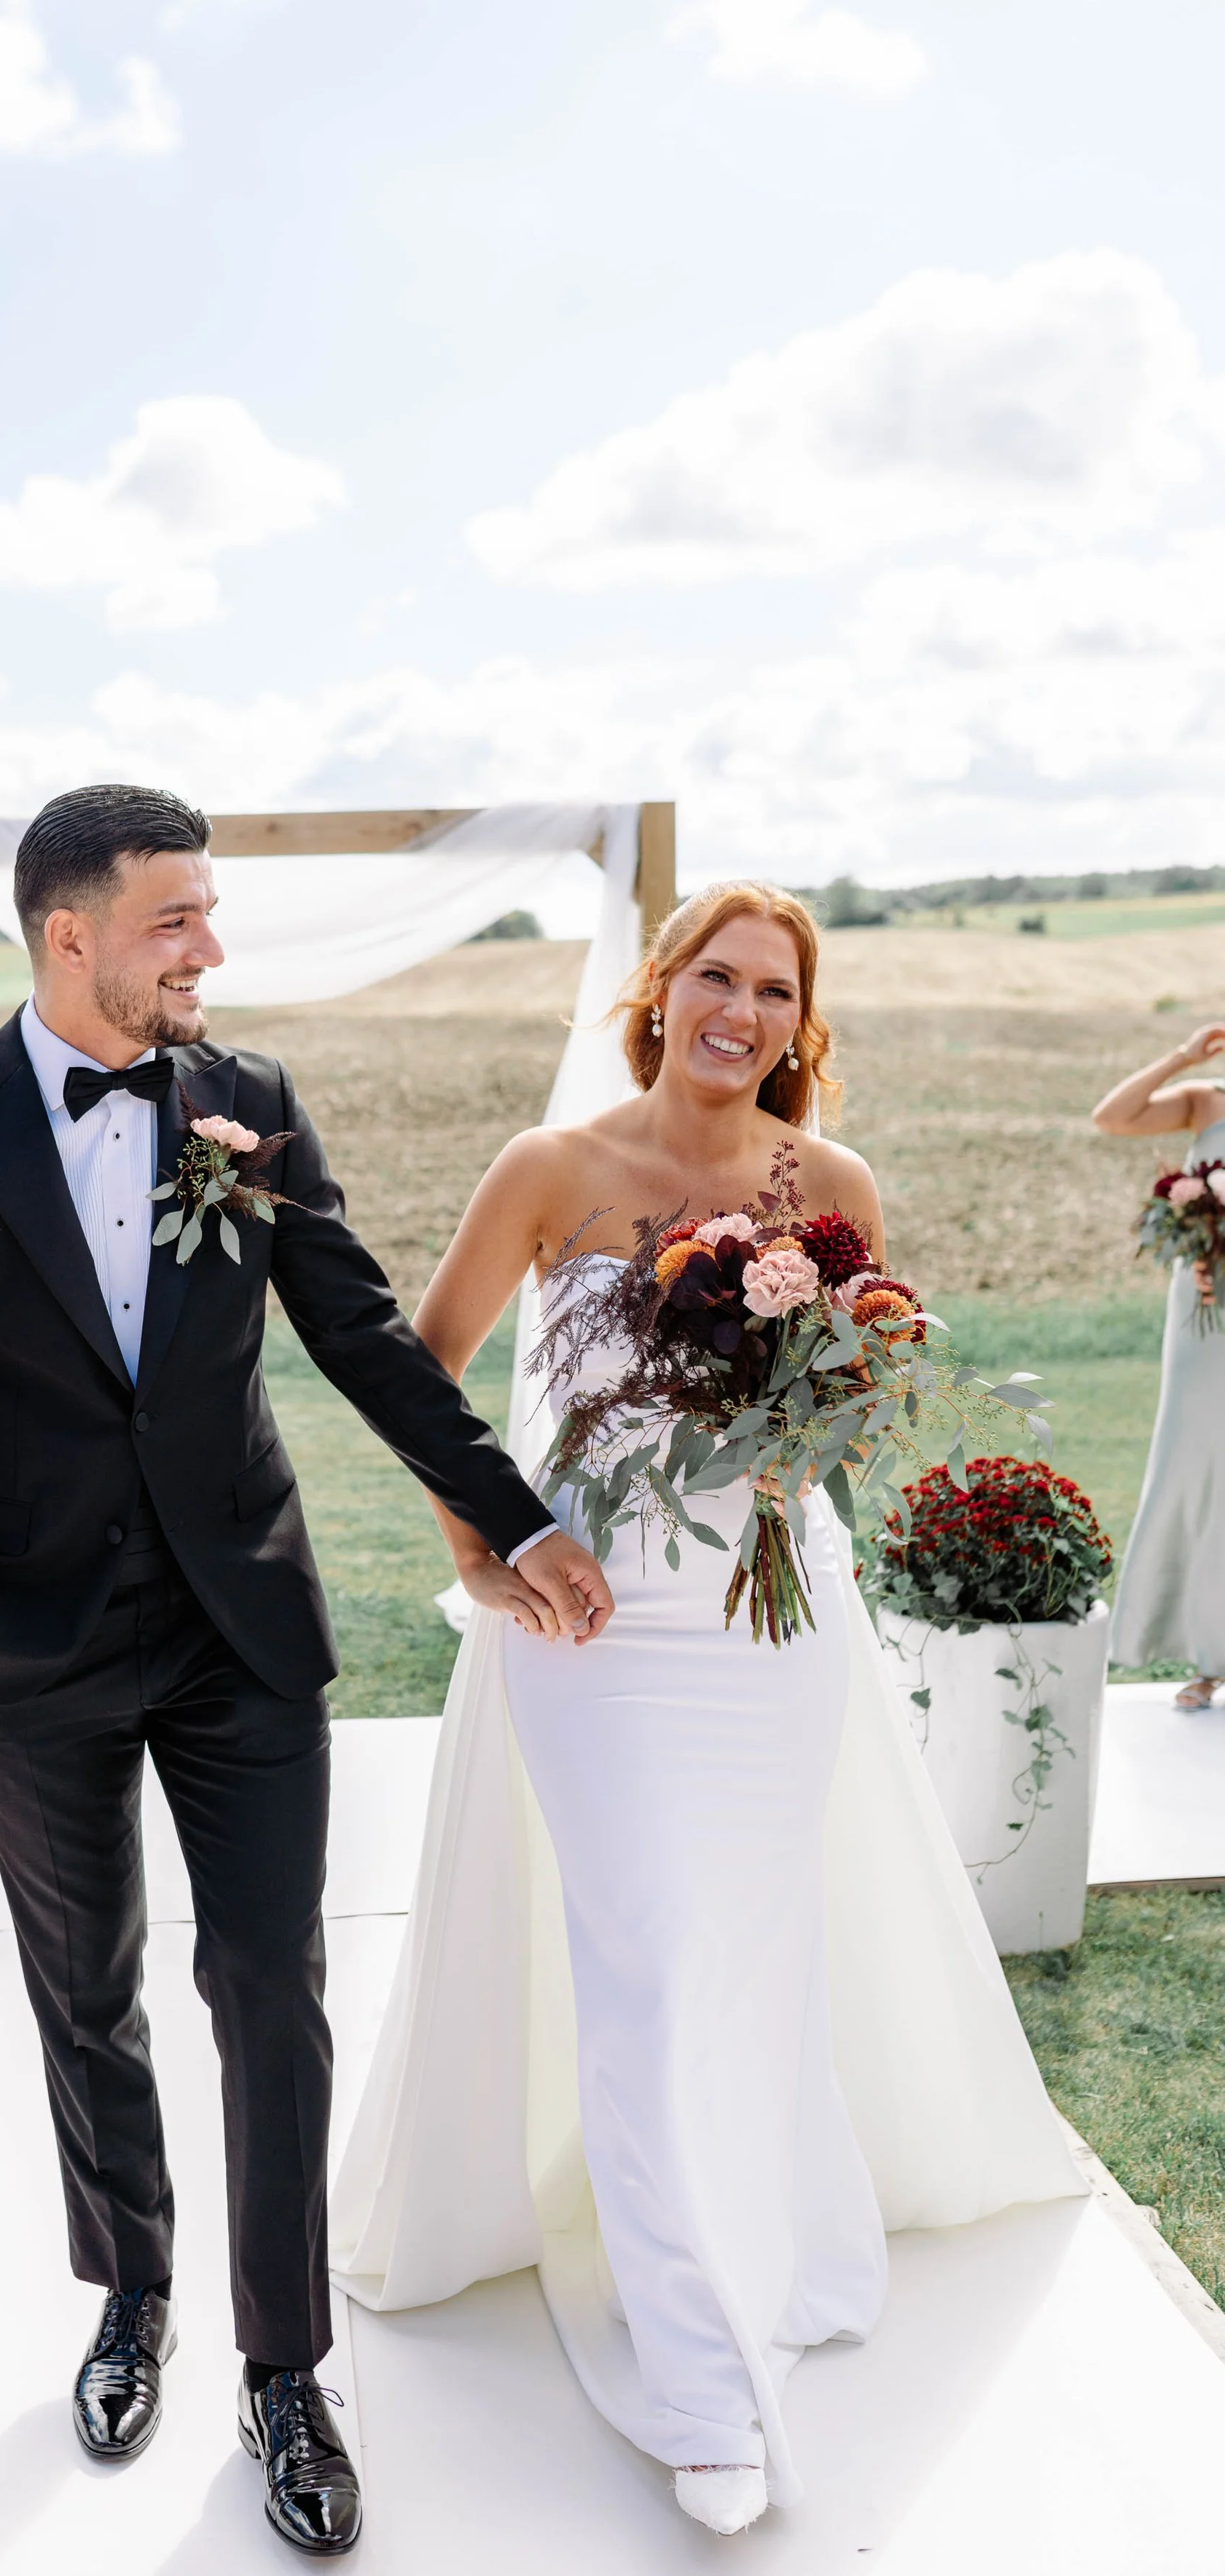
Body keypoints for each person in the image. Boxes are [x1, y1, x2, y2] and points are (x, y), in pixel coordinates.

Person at [0, 783, 609, 2559]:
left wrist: (516, 1515)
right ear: (70, 932)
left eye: (211, 913)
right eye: (179, 916)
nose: (213, 947)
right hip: (25, 1642)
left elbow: (363, 1334)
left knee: (271, 1984)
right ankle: (130, 2288)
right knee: (82, 1985)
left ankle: (285, 2363)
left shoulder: (245, 1105)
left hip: (241, 1620)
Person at [332, 881, 1084, 2536]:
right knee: (648, 1969)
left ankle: (766, 2245)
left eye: (774, 993)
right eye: (715, 978)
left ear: (798, 1029)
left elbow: (853, 1402)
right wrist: (478, 1544)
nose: (739, 1012)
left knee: (746, 1951)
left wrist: (801, 1415)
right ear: (657, 991)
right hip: (593, 1623)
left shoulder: (833, 1188)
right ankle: (695, 2375)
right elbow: (414, 1357)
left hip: (772, 1621)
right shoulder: (552, 1170)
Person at [1092, 1022, 1225, 1709]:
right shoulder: (1208, 1099)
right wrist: (1183, 1057)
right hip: (1204, 1318)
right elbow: (1112, 1117)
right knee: (1191, 1462)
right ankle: (1205, 1656)